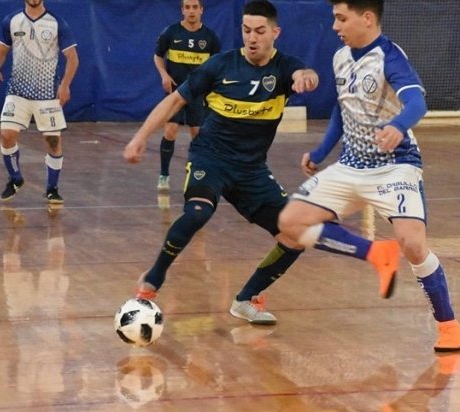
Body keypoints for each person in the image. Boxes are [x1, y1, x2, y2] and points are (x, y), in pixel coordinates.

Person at [277, 0, 460, 352]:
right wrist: (319, 153)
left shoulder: (390, 56)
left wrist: (398, 125)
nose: (335, 26)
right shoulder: (340, 57)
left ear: (367, 18)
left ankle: (449, 325)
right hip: (351, 165)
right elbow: (342, 109)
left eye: (341, 18)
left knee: (412, 244)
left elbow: (417, 104)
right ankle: (376, 253)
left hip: (395, 164)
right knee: (290, 222)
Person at [123, 0, 322, 325]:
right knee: (198, 211)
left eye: (260, 31)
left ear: (275, 32)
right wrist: (140, 137)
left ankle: (245, 300)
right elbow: (174, 100)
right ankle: (153, 278)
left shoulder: (285, 68)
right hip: (211, 158)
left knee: (296, 236)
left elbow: (304, 72)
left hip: (252, 170)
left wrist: (307, 77)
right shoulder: (220, 66)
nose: (252, 38)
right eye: (246, 30)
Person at [0, 0, 79, 204]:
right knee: (6, 134)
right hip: (17, 91)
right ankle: (15, 179)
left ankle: (52, 189)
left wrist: (64, 85)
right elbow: (0, 52)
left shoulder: (57, 23)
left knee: (53, 141)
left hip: (47, 94)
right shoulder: (11, 21)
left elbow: (73, 59)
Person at [153, 0, 221, 191]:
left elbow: (216, 65)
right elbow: (158, 56)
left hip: (198, 93)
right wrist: (164, 74)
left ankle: (196, 172)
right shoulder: (171, 32)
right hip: (175, 92)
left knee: (197, 135)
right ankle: (164, 175)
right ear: (182, 10)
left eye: (195, 7)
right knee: (170, 130)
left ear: (201, 10)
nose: (191, 11)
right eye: (188, 7)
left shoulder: (210, 37)